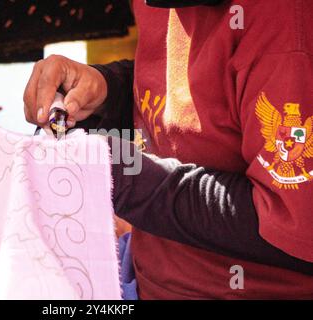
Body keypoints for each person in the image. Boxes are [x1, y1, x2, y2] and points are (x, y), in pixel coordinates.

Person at [23, 0, 313, 299]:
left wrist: (123, 176)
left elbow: (292, 230)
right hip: (147, 276)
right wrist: (107, 90)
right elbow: (197, 93)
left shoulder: (287, 31)